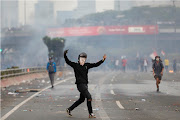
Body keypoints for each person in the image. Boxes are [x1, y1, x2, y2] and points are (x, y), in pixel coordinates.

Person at [64, 49, 106, 118]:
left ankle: (69, 109)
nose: (83, 60)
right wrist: (65, 55)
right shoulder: (75, 65)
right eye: (81, 59)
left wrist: (103, 60)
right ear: (78, 59)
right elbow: (68, 61)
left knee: (82, 99)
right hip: (80, 85)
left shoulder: (87, 65)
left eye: (84, 59)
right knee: (89, 97)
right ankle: (91, 113)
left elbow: (95, 64)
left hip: (85, 85)